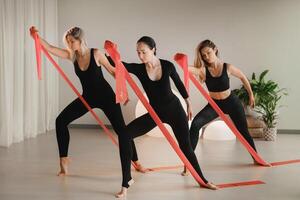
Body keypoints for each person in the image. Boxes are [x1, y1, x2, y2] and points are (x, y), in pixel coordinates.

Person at [29, 26, 147, 197]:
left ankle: (136, 161)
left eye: (71, 41)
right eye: (67, 42)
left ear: (80, 40)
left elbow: (114, 72)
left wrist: (123, 91)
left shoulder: (96, 54)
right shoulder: (72, 55)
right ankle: (64, 160)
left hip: (107, 97)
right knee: (60, 121)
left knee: (123, 132)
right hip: (88, 98)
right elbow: (51, 49)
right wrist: (36, 37)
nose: (69, 45)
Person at [108, 36, 218, 198]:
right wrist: (109, 54)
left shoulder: (167, 66)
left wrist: (188, 103)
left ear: (153, 49)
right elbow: (118, 65)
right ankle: (126, 182)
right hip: (155, 113)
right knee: (124, 135)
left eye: (143, 52)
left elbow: (179, 84)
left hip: (175, 111)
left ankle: (203, 179)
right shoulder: (139, 69)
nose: (140, 56)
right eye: (138, 52)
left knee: (185, 147)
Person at [182, 39, 258, 175]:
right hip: (214, 105)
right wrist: (182, 60)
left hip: (232, 102)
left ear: (215, 49)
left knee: (243, 131)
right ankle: (188, 163)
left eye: (208, 53)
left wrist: (251, 94)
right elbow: (186, 68)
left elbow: (242, 77)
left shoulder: (227, 67)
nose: (206, 57)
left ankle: (256, 158)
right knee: (195, 125)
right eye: (203, 55)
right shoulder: (203, 71)